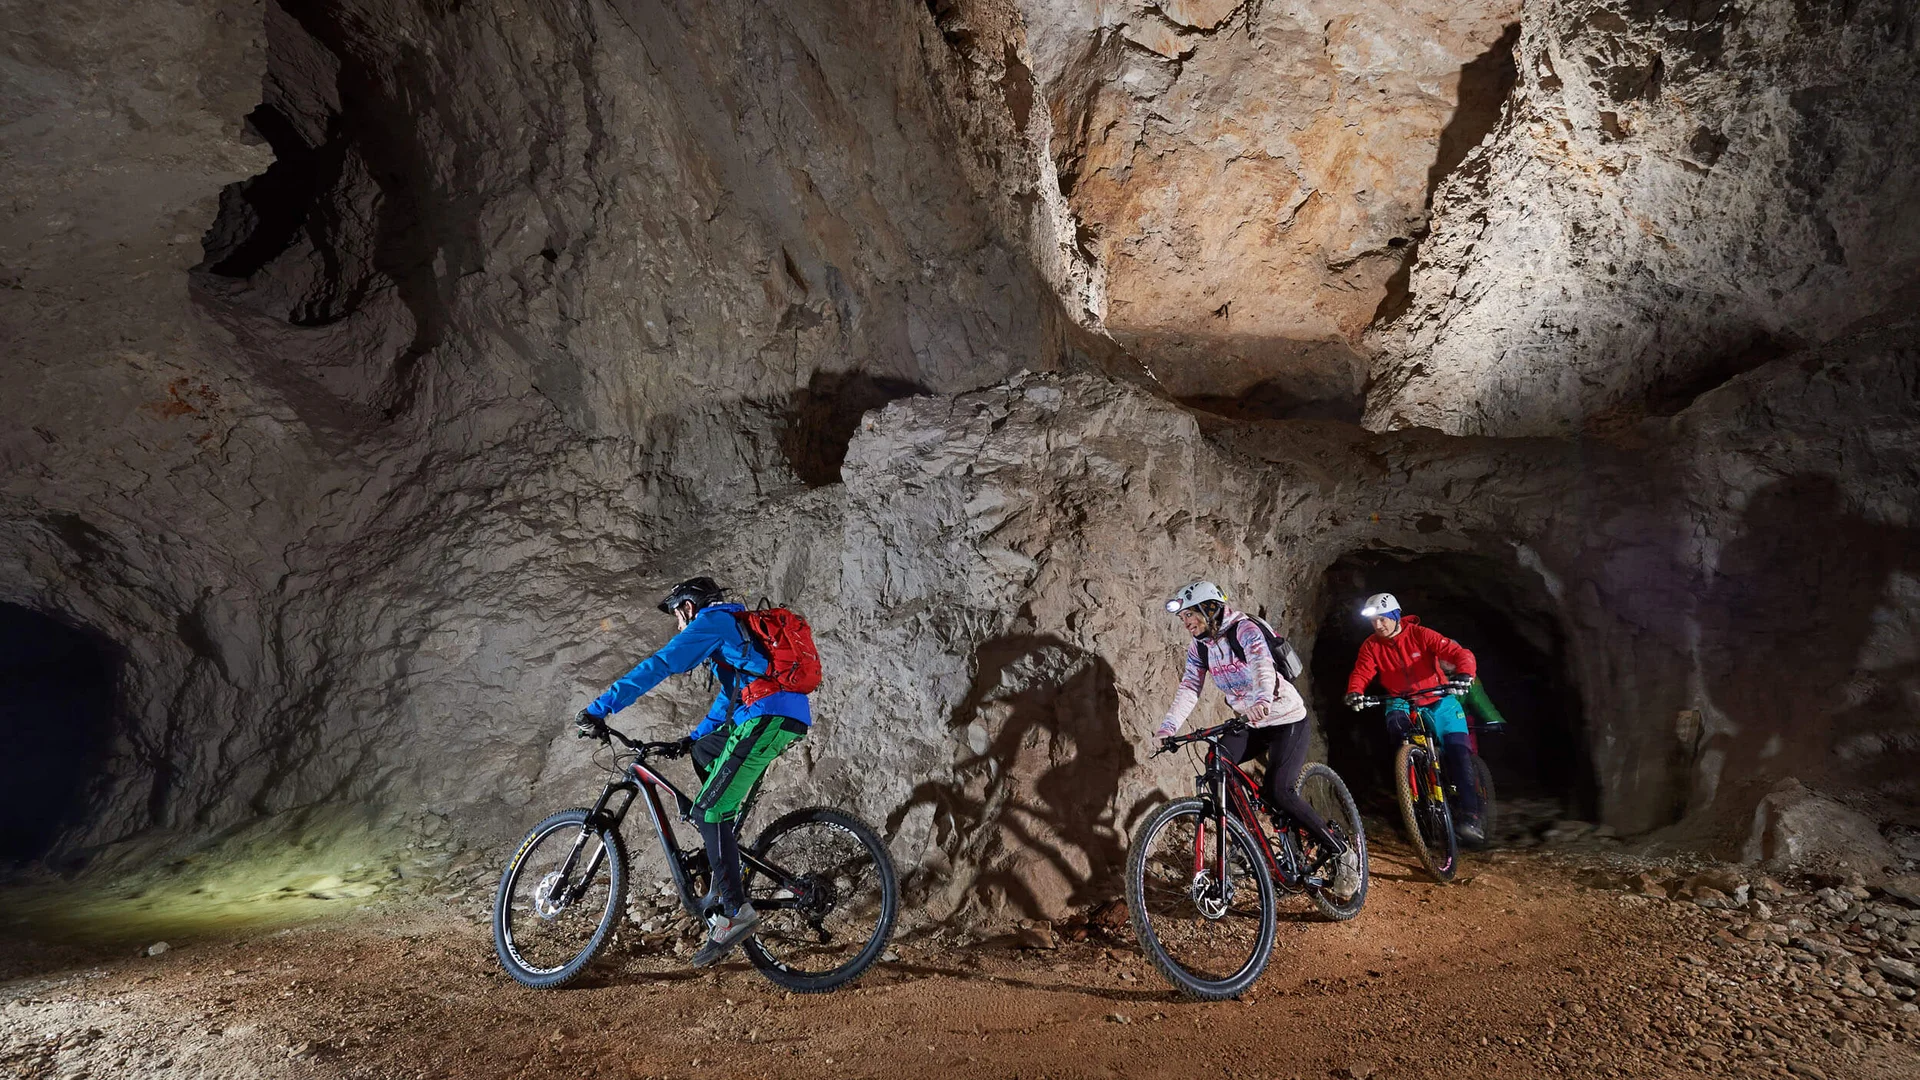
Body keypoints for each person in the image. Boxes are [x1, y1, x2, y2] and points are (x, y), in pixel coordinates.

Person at [573, 576, 812, 967]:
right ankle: (721, 836)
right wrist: (693, 737)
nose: (678, 624)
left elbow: (662, 663)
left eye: (677, 615)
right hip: (769, 714)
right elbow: (731, 694)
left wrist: (600, 708)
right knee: (704, 751)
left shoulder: (711, 623)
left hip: (767, 718)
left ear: (687, 607)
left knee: (709, 811)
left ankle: (734, 911)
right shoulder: (734, 630)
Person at [1155, 581, 1359, 896]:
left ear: (1210, 609)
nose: (1186, 623)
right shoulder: (1200, 647)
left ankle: (1341, 851)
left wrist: (1262, 699)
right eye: (1182, 618)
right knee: (1216, 761)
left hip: (1285, 718)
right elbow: (1189, 688)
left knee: (1279, 790)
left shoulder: (1244, 630)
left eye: (1190, 615)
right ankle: (1242, 845)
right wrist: (1169, 727)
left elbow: (1262, 665)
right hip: (1249, 721)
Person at [1341, 592, 1485, 843]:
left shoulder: (1421, 635)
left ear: (1396, 616)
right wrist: (1355, 692)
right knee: (1396, 727)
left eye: (1383, 619)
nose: (1378, 625)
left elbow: (1457, 652)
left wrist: (1464, 674)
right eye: (1373, 621)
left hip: (1439, 699)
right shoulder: (1371, 645)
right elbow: (1362, 672)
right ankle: (1417, 784)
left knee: (1459, 754)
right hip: (1402, 700)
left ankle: (1471, 816)